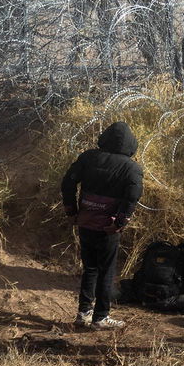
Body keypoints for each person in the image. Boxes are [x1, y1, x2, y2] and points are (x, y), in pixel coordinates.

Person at [60, 121, 144, 330]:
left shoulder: (88, 157)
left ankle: (84, 312)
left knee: (90, 267)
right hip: (108, 226)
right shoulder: (132, 167)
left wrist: (71, 210)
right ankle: (101, 317)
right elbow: (132, 196)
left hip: (86, 220)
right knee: (106, 270)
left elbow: (67, 183)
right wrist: (121, 221)